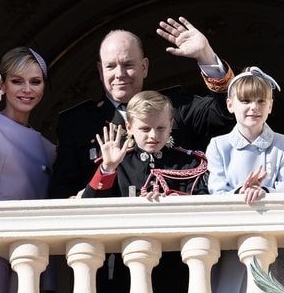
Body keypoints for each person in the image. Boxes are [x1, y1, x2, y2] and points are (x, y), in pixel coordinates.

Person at [49, 16, 235, 199]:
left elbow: (227, 112)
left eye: (128, 64)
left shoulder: (176, 105)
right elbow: (62, 193)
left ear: (144, 67)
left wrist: (207, 57)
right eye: (110, 66)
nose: (119, 74)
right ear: (100, 71)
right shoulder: (76, 123)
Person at [81, 90, 209, 292]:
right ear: (129, 127)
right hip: (127, 268)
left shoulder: (188, 163)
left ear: (171, 125)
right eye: (145, 128)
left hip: (177, 268)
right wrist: (108, 169)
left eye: (160, 128)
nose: (153, 135)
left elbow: (206, 205)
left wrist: (175, 200)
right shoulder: (121, 164)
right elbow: (89, 208)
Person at [0, 47, 56, 293]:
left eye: (35, 82)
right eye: (17, 81)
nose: (27, 89)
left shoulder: (47, 148)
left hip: (28, 249)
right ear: (2, 85)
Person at [206, 66, 284, 293]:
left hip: (274, 238)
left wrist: (265, 193)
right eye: (246, 100)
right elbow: (216, 191)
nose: (254, 107)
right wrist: (241, 191)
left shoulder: (281, 144)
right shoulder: (219, 146)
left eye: (261, 101)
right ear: (230, 104)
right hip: (230, 239)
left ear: (270, 105)